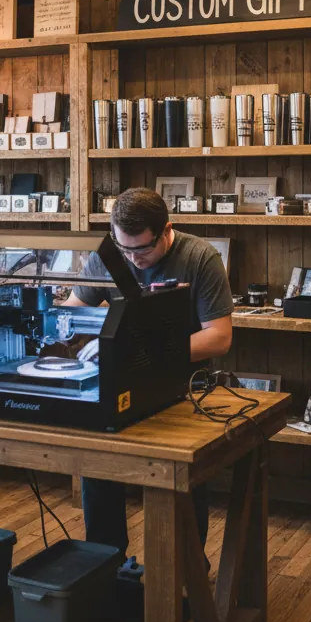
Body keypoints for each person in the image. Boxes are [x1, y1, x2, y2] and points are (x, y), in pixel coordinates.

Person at [65, 187, 234, 556]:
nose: (132, 258)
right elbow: (74, 312)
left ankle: (184, 574)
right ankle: (104, 565)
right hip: (122, 381)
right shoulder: (113, 254)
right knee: (97, 461)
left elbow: (219, 338)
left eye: (142, 249)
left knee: (179, 482)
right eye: (124, 249)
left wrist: (139, 349)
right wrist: (64, 324)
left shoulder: (200, 257)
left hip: (183, 386)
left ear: (166, 230)